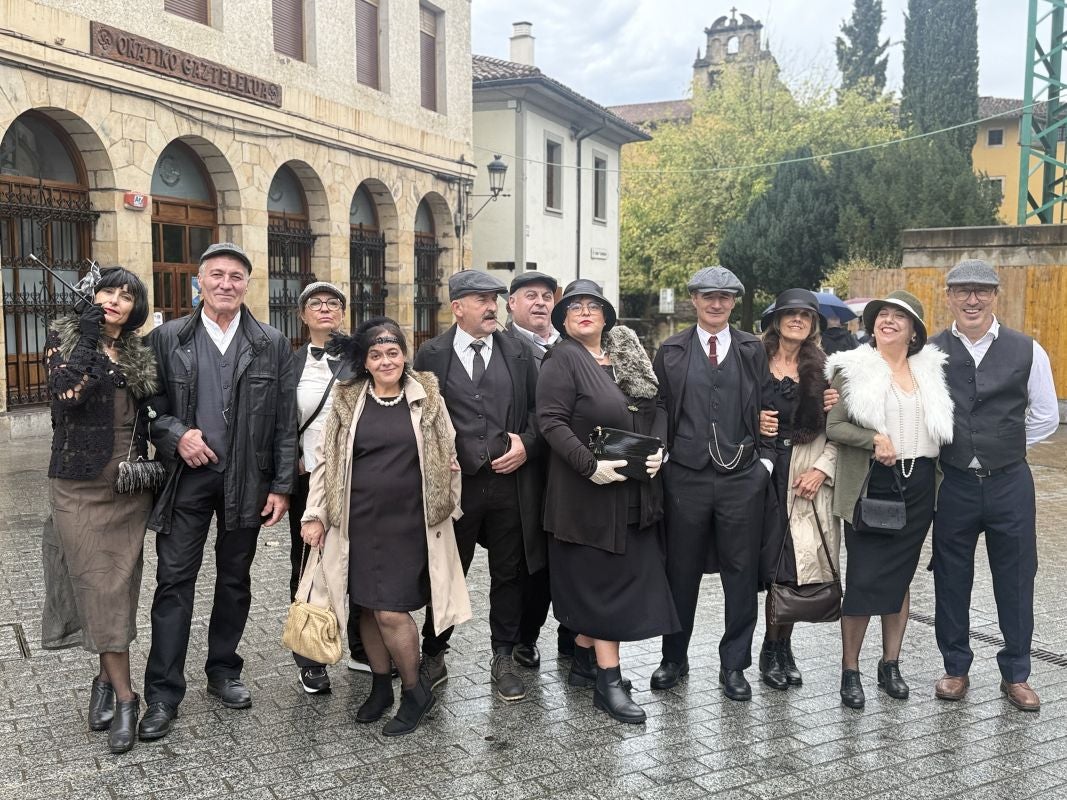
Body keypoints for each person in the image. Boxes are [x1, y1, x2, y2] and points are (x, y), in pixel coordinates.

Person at [138, 242, 297, 741]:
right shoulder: (165, 339)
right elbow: (147, 407)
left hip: (247, 481)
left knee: (234, 582)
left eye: (235, 277)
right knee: (173, 582)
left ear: (247, 285)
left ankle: (224, 670)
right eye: (216, 275)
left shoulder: (271, 341)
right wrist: (174, 435)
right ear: (198, 283)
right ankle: (163, 694)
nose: (225, 284)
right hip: (186, 480)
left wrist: (282, 487)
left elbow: (285, 423)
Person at [299, 318, 470, 735]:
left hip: (409, 523)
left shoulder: (427, 395)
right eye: (376, 353)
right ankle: (380, 686)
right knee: (366, 606)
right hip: (356, 523)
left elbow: (449, 449)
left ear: (405, 354)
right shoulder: (347, 397)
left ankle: (414, 690)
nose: (385, 360)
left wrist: (449, 493)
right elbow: (325, 461)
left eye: (393, 351)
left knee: (392, 610)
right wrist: (315, 514)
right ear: (365, 360)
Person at [537, 279, 677, 723]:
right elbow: (551, 422)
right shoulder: (562, 359)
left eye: (592, 305)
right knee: (601, 590)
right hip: (585, 498)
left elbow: (657, 411)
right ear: (562, 319)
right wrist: (587, 465)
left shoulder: (628, 358)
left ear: (606, 315)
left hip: (633, 493)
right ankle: (608, 684)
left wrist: (660, 451)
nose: (584, 311)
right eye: (574, 306)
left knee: (617, 583)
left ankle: (583, 661)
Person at [930, 260, 1059, 712]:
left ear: (994, 296)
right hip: (953, 483)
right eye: (962, 291)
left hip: (1009, 482)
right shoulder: (930, 351)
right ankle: (955, 667)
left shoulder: (1028, 349)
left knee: (1018, 577)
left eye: (981, 291)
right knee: (950, 577)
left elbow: (1046, 413)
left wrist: (1002, 443)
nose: (972, 299)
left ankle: (1017, 673)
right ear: (948, 296)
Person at [41, 268, 158, 754]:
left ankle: (104, 681)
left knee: (120, 587)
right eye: (107, 290)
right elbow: (68, 395)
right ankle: (129, 698)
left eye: (126, 295)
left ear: (136, 307)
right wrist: (88, 334)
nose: (115, 300)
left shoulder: (136, 351)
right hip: (78, 485)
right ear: (90, 295)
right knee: (98, 585)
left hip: (127, 486)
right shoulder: (63, 338)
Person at [413, 270, 543, 702]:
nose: (492, 307)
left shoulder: (521, 352)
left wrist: (527, 442)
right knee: (448, 571)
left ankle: (503, 656)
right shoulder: (430, 355)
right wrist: (436, 454)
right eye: (482, 299)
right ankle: (433, 652)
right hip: (458, 485)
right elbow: (417, 417)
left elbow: (543, 413)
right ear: (458, 307)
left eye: (495, 299)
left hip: (509, 483)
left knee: (509, 572)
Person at [651, 266, 775, 701]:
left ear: (734, 302)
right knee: (679, 573)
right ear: (694, 299)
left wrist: (765, 465)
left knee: (740, 576)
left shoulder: (751, 349)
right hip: (685, 476)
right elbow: (659, 408)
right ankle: (673, 658)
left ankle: (734, 665)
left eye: (725, 296)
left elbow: (768, 406)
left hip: (741, 475)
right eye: (709, 296)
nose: (717, 303)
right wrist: (664, 459)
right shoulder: (670, 350)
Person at [825, 290, 953, 709]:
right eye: (882, 315)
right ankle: (850, 670)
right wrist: (874, 438)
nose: (889, 321)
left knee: (900, 578)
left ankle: (890, 664)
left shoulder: (929, 371)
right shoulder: (854, 369)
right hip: (872, 484)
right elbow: (835, 426)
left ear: (914, 330)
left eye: (900, 316)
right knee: (863, 578)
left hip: (919, 487)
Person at [755, 289, 839, 691]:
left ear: (814, 323)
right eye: (790, 313)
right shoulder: (752, 358)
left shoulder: (827, 369)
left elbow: (842, 430)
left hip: (803, 473)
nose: (797, 320)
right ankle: (758, 648)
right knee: (764, 562)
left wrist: (823, 469)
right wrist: (754, 422)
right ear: (776, 317)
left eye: (806, 315)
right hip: (759, 470)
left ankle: (777, 648)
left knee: (792, 568)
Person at [288, 282, 367, 694]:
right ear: (302, 315)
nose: (324, 309)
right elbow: (280, 419)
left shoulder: (361, 358)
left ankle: (360, 645)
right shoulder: (290, 360)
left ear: (342, 312)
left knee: (360, 559)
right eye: (314, 304)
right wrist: (290, 462)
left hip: (359, 478)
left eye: (332, 303)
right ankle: (309, 654)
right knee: (308, 561)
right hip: (307, 479)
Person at [505, 270, 572, 662]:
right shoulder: (502, 346)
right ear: (511, 303)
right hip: (527, 472)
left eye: (547, 296)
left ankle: (572, 634)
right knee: (529, 560)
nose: (540, 303)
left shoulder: (573, 345)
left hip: (571, 469)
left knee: (571, 556)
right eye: (530, 295)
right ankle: (523, 636)